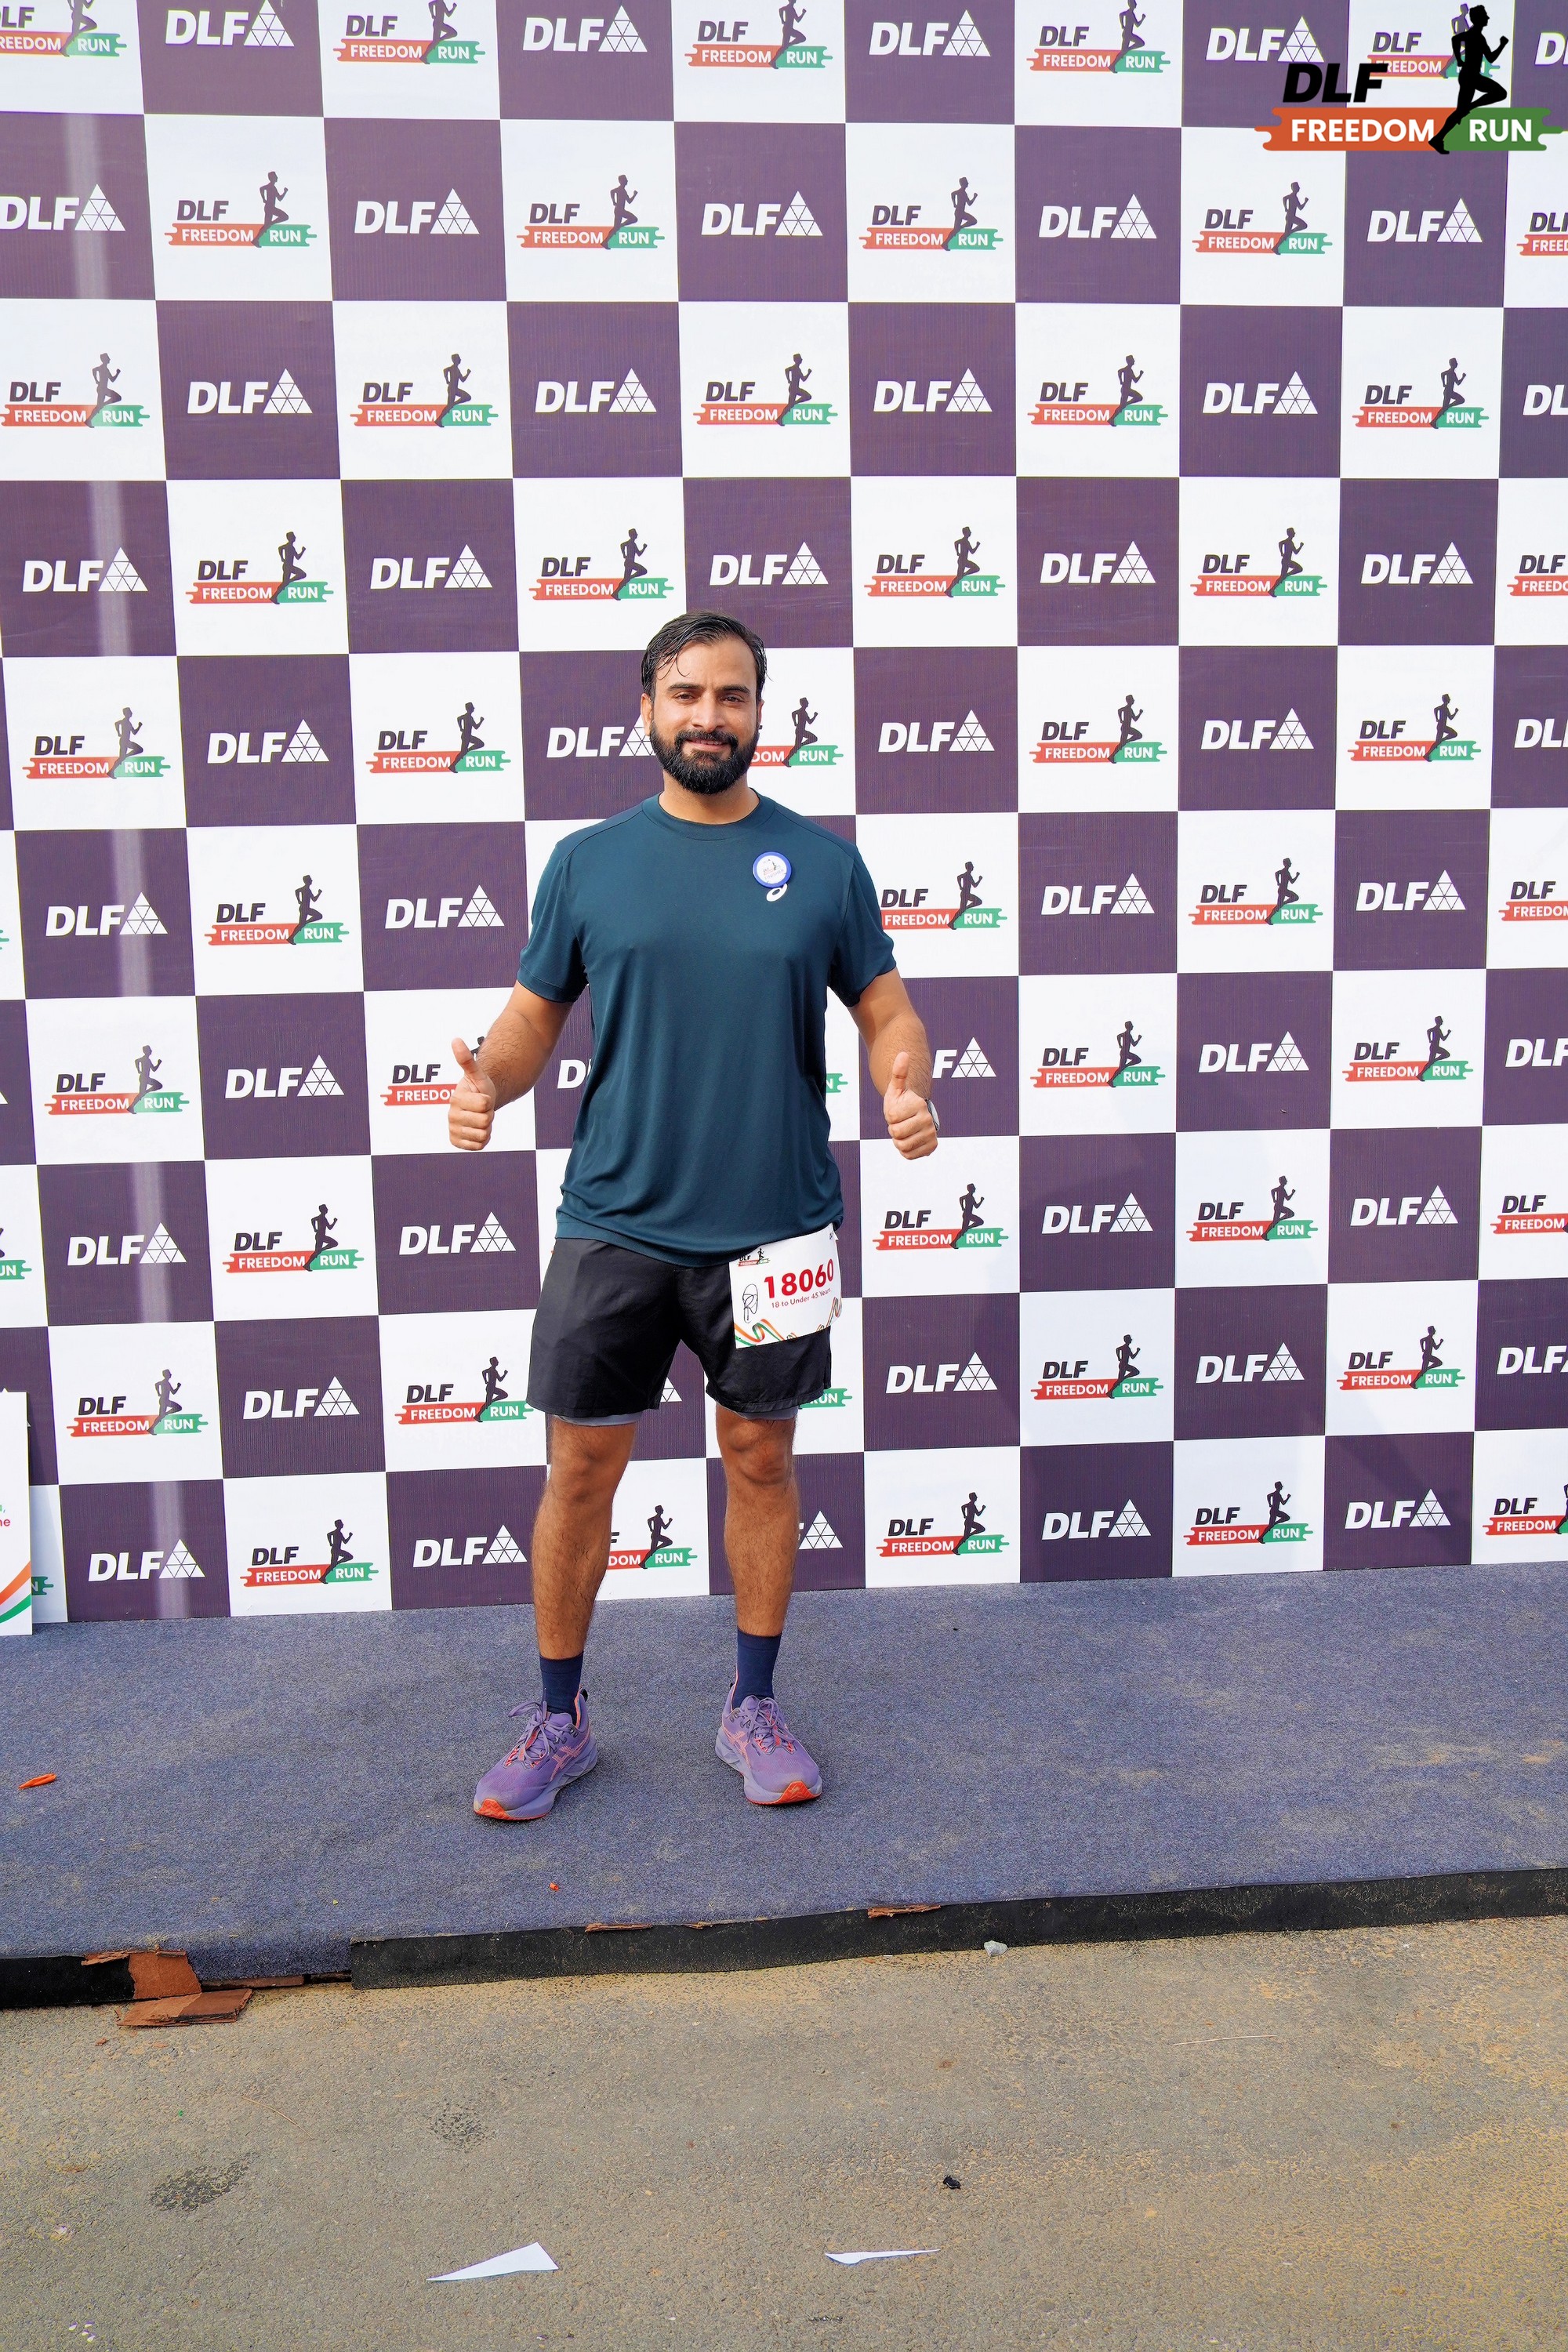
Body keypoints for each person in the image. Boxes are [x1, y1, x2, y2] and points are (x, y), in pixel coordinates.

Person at [449, 611, 937, 1820]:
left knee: (761, 1460)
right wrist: (488, 1083)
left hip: (774, 1230)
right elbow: (530, 1018)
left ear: (762, 712)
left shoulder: (821, 865)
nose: (708, 716)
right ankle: (557, 1720)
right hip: (614, 1220)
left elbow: (887, 1009)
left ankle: (753, 1704)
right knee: (580, 1468)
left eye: (731, 695)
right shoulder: (589, 863)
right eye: (685, 694)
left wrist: (904, 1079)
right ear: (647, 711)